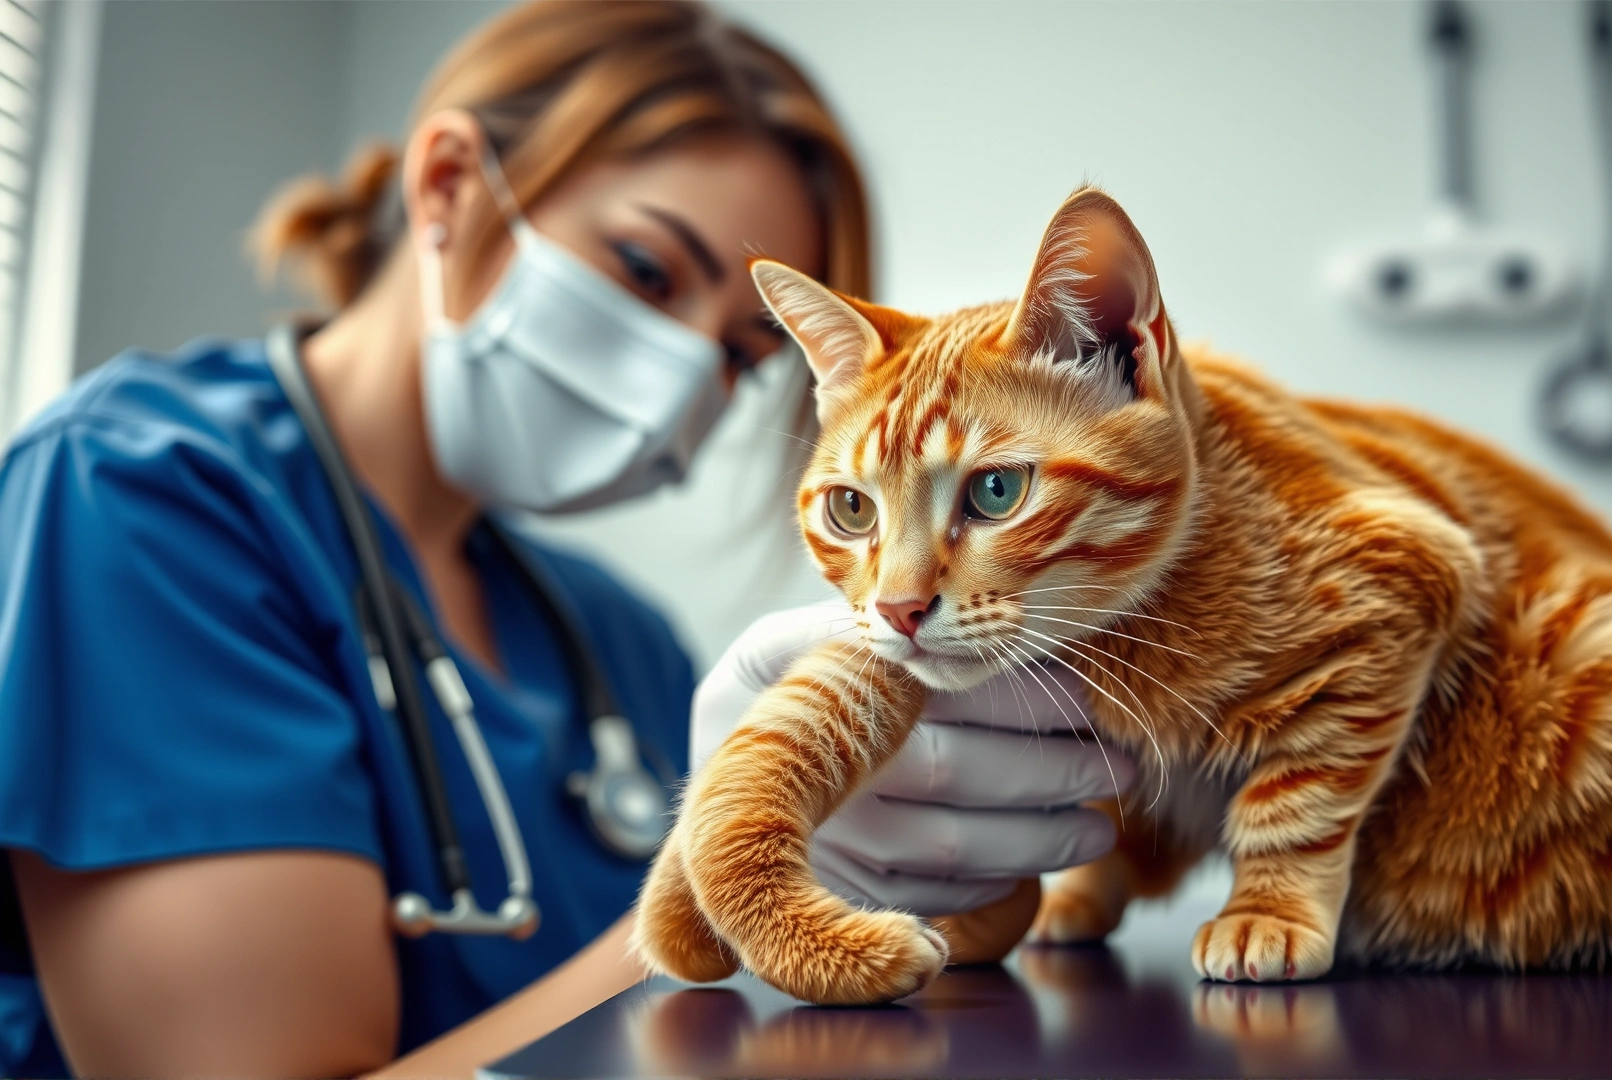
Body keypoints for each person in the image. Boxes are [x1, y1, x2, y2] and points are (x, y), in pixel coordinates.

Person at [0, 3, 1129, 1076]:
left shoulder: (615, 639)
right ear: (449, 185)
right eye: (644, 270)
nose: (688, 371)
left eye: (743, 351)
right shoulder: (136, 497)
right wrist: (719, 890)